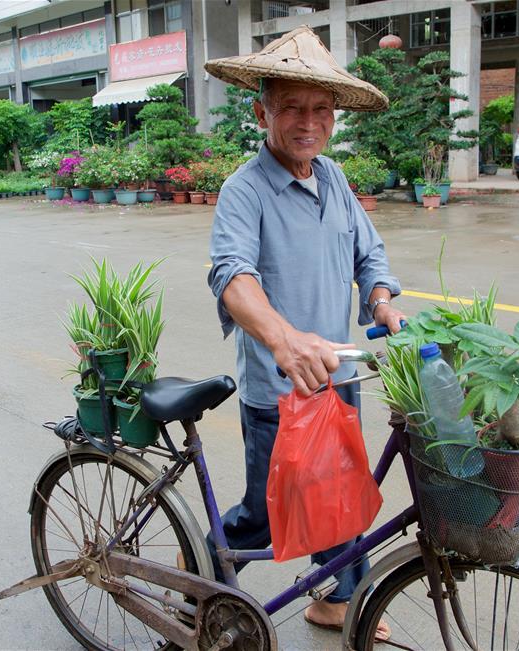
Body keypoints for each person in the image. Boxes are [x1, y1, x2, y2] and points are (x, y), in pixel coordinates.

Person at [204, 27, 405, 636]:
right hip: (279, 387)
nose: (308, 121)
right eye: (291, 106)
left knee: (338, 492)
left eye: (321, 109)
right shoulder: (244, 190)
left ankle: (335, 599)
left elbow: (370, 257)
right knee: (269, 513)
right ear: (262, 110)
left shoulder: (335, 179)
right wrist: (286, 342)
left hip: (339, 374)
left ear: (335, 117)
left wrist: (380, 300)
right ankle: (201, 570)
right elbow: (232, 278)